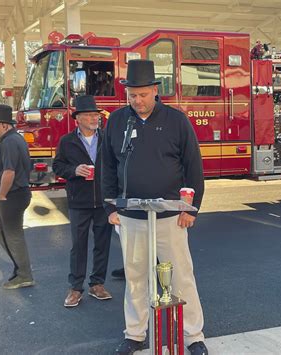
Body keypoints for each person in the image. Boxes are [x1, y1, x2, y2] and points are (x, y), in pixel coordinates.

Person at [102, 59, 207, 355]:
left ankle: (193, 335)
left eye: (143, 95)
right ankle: (135, 334)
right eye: (132, 95)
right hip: (131, 216)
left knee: (180, 275)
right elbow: (107, 166)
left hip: (171, 217)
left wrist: (192, 207)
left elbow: (193, 167)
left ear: (154, 91)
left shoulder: (176, 120)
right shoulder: (118, 121)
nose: (137, 101)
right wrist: (109, 207)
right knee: (136, 277)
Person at [53, 95, 113, 307]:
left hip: (104, 201)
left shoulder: (107, 138)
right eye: (88, 115)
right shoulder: (67, 141)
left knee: (102, 245)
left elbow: (116, 165)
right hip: (78, 201)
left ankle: (97, 284)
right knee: (78, 246)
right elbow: (58, 167)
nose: (93, 118)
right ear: (77, 118)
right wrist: (74, 170)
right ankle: (76, 288)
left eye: (95, 114)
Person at [0, 104, 34, 289]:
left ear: (4, 125)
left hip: (12, 196)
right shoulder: (13, 138)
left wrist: (1, 195)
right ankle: (20, 270)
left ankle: (24, 275)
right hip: (16, 194)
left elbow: (9, 172)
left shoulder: (9, 142)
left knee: (13, 235)